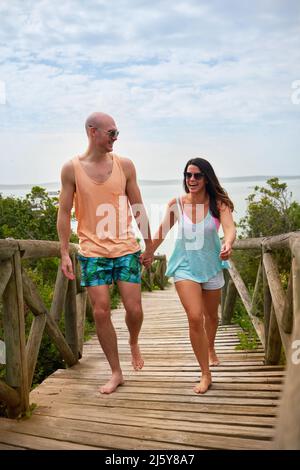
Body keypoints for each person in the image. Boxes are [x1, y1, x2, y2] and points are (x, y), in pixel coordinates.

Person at [57, 112, 153, 394]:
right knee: (101, 312)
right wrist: (64, 252)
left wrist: (149, 245)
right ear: (92, 132)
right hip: (91, 250)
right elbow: (63, 212)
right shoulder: (71, 168)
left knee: (134, 309)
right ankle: (116, 371)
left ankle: (133, 341)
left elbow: (138, 207)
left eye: (117, 133)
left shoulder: (125, 165)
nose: (116, 137)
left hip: (125, 246)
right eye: (111, 133)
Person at [152, 157, 236, 394]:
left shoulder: (219, 203)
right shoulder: (176, 204)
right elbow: (161, 232)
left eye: (197, 175)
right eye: (188, 175)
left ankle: (210, 347)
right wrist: (148, 252)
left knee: (212, 317)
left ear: (206, 178)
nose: (191, 179)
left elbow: (229, 228)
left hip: (211, 265)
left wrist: (228, 243)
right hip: (184, 265)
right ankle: (205, 374)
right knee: (194, 316)